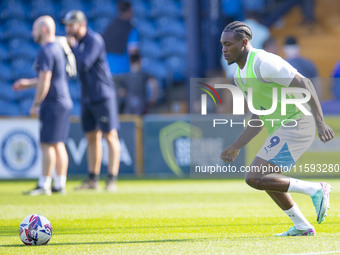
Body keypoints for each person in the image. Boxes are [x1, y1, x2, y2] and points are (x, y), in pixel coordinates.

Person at [220, 21, 334, 236]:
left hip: (298, 123)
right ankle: (302, 226)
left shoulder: (264, 62)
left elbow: (305, 84)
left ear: (244, 42)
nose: (224, 49)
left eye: (228, 44)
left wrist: (320, 122)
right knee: (268, 179)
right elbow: (259, 115)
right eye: (222, 44)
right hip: (281, 128)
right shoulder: (239, 76)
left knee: (254, 177)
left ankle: (316, 189)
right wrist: (236, 146)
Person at [13, 16, 72, 195]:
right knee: (58, 144)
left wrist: (36, 104)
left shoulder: (46, 50)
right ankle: (59, 184)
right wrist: (28, 84)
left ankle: (44, 184)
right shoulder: (58, 48)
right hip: (63, 101)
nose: (33, 33)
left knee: (47, 144)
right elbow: (46, 78)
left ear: (44, 30)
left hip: (53, 103)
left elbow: (45, 80)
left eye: (35, 29)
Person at [62, 10, 121, 192]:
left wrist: (70, 49)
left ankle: (111, 179)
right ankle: (92, 179)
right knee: (91, 137)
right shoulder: (78, 43)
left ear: (82, 24)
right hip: (87, 97)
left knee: (110, 136)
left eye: (71, 25)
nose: (68, 28)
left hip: (102, 96)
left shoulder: (94, 40)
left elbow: (84, 64)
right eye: (67, 25)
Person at [102, 0, 139, 104]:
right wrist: (136, 71)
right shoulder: (130, 28)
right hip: (125, 72)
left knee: (113, 104)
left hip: (109, 71)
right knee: (131, 102)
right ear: (129, 11)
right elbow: (133, 51)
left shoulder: (108, 28)